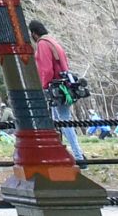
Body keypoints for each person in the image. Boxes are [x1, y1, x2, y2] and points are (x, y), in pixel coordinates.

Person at [27, 19, 84, 163]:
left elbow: (46, 69)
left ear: (34, 34)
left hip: (56, 89)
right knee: (59, 121)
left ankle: (78, 155)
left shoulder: (43, 44)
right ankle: (60, 152)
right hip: (65, 87)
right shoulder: (53, 42)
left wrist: (43, 86)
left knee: (64, 122)